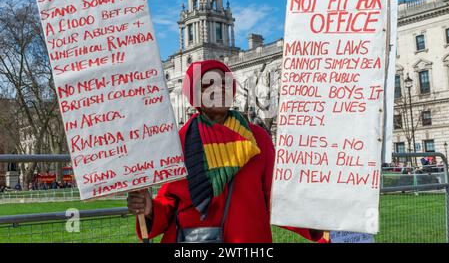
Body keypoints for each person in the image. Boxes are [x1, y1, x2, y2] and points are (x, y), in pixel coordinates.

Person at [127, 60, 324, 243]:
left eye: (225, 83)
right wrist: (150, 209)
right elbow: (169, 202)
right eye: (208, 84)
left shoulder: (258, 139)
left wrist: (320, 220)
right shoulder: (180, 142)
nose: (219, 88)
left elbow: (277, 195)